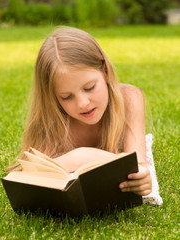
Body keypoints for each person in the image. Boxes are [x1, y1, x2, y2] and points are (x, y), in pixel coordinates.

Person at [16, 26, 152, 196]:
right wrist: (82, 156)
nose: (82, 103)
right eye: (66, 97)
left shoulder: (129, 99)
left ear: (105, 71)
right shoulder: (55, 119)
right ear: (53, 97)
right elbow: (25, 176)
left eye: (89, 88)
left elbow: (136, 167)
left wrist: (142, 180)